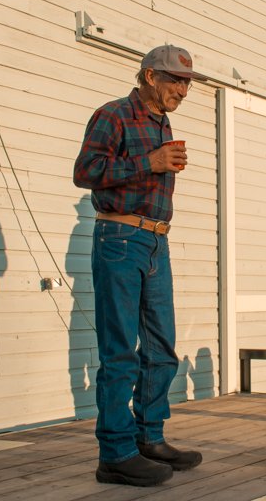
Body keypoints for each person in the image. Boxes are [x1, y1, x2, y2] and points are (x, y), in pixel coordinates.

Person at [73, 44, 203, 487]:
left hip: (155, 242)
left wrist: (157, 163)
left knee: (162, 348)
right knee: (120, 352)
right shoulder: (113, 114)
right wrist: (149, 162)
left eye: (187, 82)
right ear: (150, 76)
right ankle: (115, 453)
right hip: (119, 238)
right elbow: (85, 170)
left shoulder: (163, 123)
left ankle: (149, 438)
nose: (183, 90)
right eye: (176, 80)